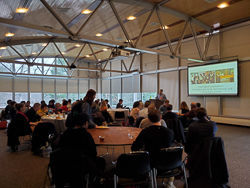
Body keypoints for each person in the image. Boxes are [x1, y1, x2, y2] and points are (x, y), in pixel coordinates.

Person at [59, 112, 106, 180]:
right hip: (82, 166)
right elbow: (93, 154)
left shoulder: (65, 134)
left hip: (63, 165)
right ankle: (94, 179)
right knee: (102, 161)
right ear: (86, 123)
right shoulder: (86, 135)